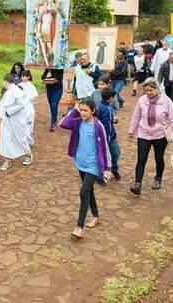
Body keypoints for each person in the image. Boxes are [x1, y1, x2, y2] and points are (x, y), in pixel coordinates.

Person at [60, 98, 111, 238]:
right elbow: (62, 124)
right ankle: (96, 216)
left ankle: (79, 227)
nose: (83, 113)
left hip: (93, 165)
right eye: (81, 110)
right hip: (80, 163)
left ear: (93, 111)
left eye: (85, 110)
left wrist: (107, 168)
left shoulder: (98, 126)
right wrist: (74, 111)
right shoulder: (77, 122)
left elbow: (105, 147)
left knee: (83, 192)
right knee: (89, 191)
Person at [128, 78, 173, 195]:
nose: (148, 93)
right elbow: (136, 116)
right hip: (144, 134)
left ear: (157, 89)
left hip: (160, 135)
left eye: (151, 90)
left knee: (159, 158)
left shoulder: (166, 101)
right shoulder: (142, 100)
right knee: (141, 158)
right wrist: (131, 130)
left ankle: (158, 178)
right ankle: (138, 183)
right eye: (146, 91)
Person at [0, 74, 33, 171]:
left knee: (19, 138)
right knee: (5, 139)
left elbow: (21, 104)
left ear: (5, 81)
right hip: (6, 121)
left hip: (15, 120)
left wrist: (9, 112)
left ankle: (28, 154)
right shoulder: (8, 91)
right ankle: (7, 160)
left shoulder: (16, 91)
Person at [97, 88, 121, 180]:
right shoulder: (99, 107)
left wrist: (113, 120)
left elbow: (110, 118)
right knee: (103, 155)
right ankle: (102, 172)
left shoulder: (109, 106)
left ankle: (114, 169)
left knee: (116, 153)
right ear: (111, 97)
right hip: (103, 137)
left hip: (112, 135)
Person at [41, 66, 64, 132]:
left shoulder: (60, 68)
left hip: (58, 89)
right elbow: (42, 77)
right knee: (51, 105)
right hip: (49, 89)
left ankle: (53, 122)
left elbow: (60, 78)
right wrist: (46, 76)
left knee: (54, 104)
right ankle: (54, 119)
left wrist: (52, 75)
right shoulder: (48, 68)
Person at [19, 70, 38, 146]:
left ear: (28, 77)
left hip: (28, 107)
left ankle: (29, 141)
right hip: (21, 108)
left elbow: (34, 95)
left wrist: (27, 99)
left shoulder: (31, 86)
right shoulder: (19, 85)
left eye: (24, 76)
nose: (22, 78)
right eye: (22, 76)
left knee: (28, 125)